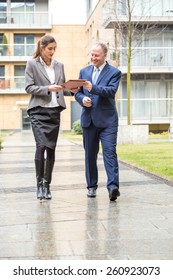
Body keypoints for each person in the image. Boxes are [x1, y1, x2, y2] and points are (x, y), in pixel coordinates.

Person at [25, 35, 74, 200]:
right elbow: (29, 87)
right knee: (41, 146)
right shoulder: (32, 64)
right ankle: (39, 185)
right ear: (42, 48)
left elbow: (62, 88)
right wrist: (48, 88)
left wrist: (75, 88)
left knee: (51, 148)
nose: (52, 52)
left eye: (54, 49)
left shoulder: (59, 65)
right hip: (38, 112)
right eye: (49, 49)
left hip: (54, 112)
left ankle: (47, 185)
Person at [75, 43, 122, 201]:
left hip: (108, 121)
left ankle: (113, 187)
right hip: (89, 120)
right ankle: (91, 187)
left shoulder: (115, 72)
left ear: (105, 56)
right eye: (92, 55)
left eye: (97, 55)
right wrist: (83, 99)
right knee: (90, 155)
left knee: (109, 153)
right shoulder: (84, 71)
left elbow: (110, 91)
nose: (93, 58)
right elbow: (77, 93)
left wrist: (93, 88)